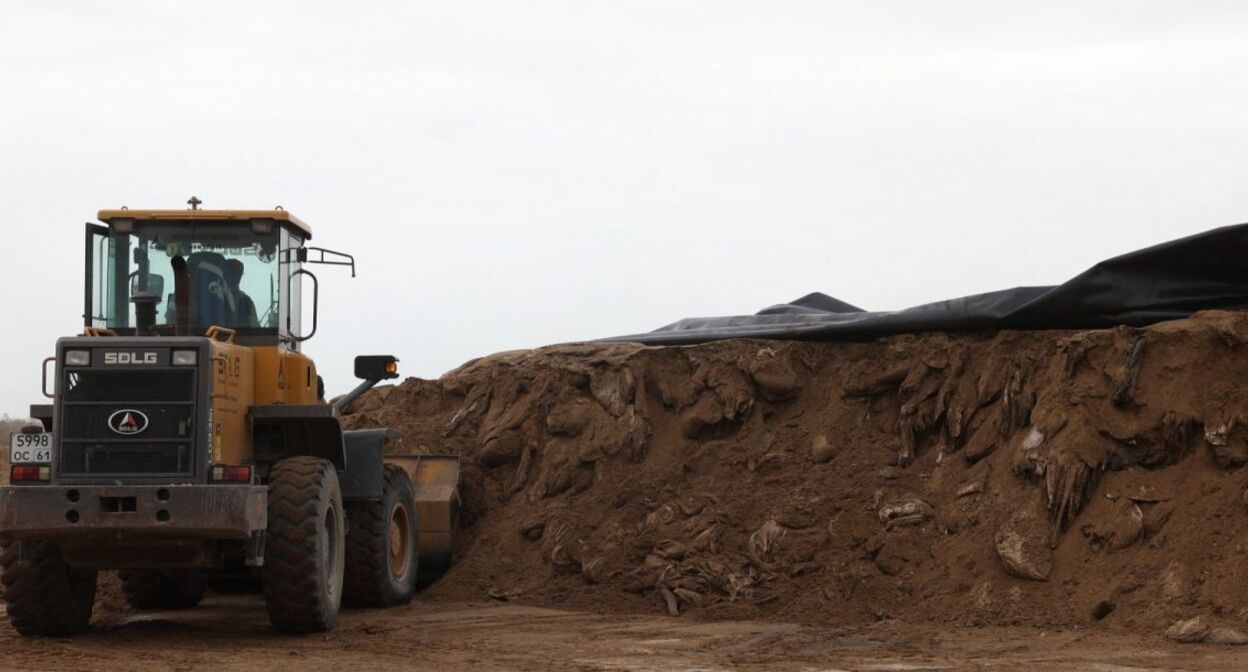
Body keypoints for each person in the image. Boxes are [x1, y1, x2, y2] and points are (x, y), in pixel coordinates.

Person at [225, 259, 260, 328]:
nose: (238, 277)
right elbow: (255, 327)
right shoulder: (246, 300)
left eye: (239, 273)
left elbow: (255, 327)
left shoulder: (246, 301)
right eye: (235, 273)